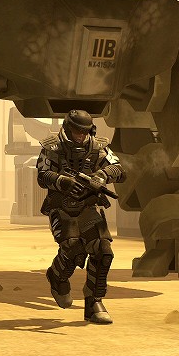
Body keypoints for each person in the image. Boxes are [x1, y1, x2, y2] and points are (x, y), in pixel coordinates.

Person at [36, 109, 127, 324]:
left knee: (103, 251)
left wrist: (102, 175)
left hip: (88, 207)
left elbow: (120, 170)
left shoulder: (98, 147)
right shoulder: (52, 147)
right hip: (62, 207)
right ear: (68, 128)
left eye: (85, 132)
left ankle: (94, 302)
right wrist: (63, 182)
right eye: (77, 131)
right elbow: (42, 175)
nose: (81, 136)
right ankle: (57, 277)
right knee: (74, 249)